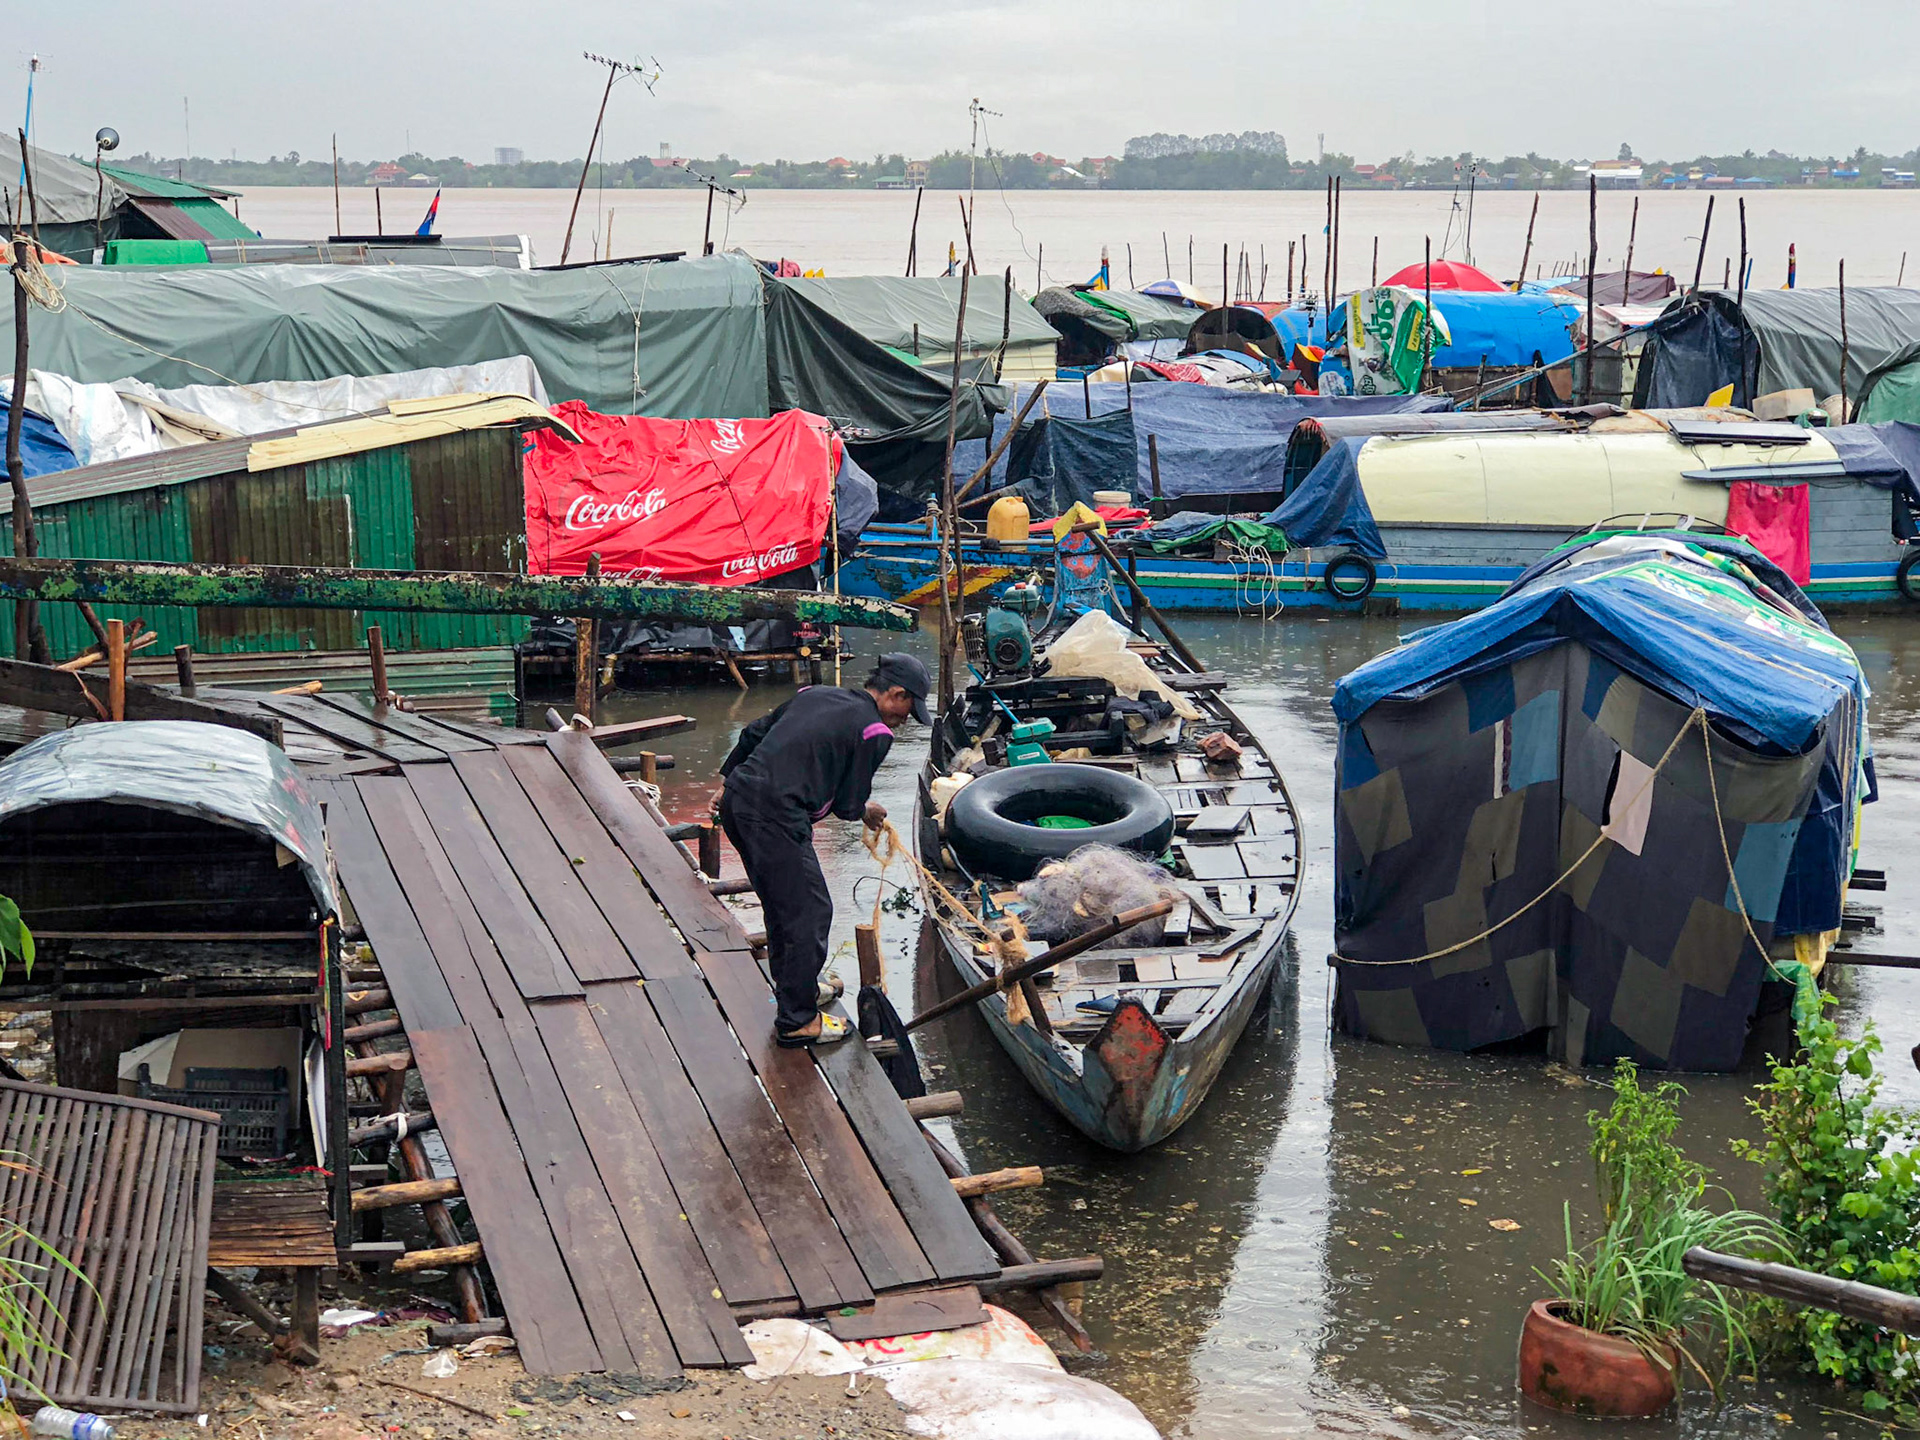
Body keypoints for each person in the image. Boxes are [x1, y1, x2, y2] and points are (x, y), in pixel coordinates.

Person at [715, 653, 931, 1047]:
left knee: (784, 905)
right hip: (775, 818)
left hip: (739, 803)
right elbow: (848, 805)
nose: (903, 721)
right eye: (907, 711)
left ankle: (797, 991)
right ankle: (798, 1020)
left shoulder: (814, 695)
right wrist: (866, 811)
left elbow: (751, 733)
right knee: (810, 912)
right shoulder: (874, 732)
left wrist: (727, 783)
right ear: (896, 694)